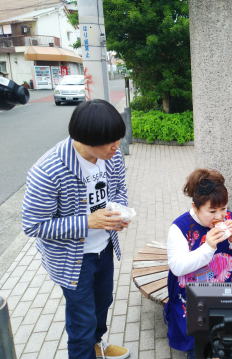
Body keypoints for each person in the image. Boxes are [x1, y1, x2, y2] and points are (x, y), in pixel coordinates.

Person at [22, 100, 131, 359]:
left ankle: (97, 346)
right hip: (72, 260)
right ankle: (85, 350)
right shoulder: (48, 171)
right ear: (86, 139)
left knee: (103, 303)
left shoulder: (111, 158)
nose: (117, 148)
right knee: (82, 322)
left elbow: (119, 190)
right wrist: (87, 222)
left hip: (103, 249)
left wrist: (120, 213)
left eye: (118, 139)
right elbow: (33, 225)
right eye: (110, 142)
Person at [165, 168, 232, 358]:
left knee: (225, 344)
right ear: (196, 207)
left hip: (225, 294)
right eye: (212, 211)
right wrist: (208, 247)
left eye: (223, 208)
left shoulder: (230, 218)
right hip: (192, 300)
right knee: (198, 348)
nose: (219, 216)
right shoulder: (180, 227)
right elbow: (177, 266)